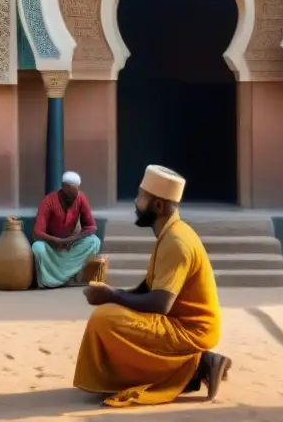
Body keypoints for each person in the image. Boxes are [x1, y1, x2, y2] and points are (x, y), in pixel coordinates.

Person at [73, 164, 231, 407]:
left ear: (158, 206)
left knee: (106, 319)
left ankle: (197, 366)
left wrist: (111, 296)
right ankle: (192, 368)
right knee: (111, 315)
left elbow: (160, 304)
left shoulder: (177, 241)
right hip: (180, 323)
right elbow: (149, 288)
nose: (136, 203)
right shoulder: (170, 234)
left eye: (141, 198)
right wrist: (112, 293)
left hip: (191, 331)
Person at [31, 171, 101, 288]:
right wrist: (58, 241)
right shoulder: (48, 201)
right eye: (70, 197)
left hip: (70, 246)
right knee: (37, 247)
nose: (73, 200)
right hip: (52, 248)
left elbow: (91, 227)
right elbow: (37, 232)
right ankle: (51, 280)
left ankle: (67, 275)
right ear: (64, 187)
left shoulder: (80, 197)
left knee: (94, 241)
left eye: (75, 196)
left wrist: (72, 239)